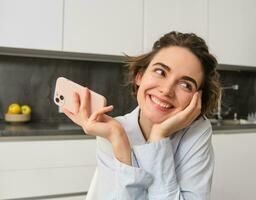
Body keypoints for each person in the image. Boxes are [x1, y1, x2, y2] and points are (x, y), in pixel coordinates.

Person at [62, 31, 221, 200]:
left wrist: (159, 137)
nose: (166, 90)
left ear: (197, 99)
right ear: (139, 76)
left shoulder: (197, 132)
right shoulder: (112, 130)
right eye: (160, 72)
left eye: (185, 84)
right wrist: (119, 141)